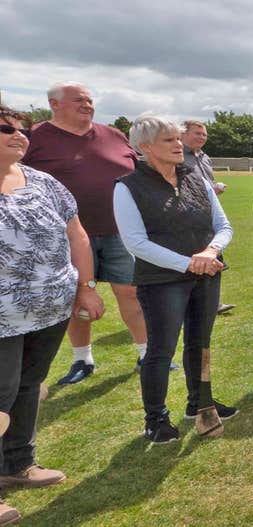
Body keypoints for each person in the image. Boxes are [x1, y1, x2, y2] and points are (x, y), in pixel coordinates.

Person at [0, 105, 105, 527]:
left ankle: (18, 463)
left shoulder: (44, 183)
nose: (18, 135)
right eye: (6, 129)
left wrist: (86, 286)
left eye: (22, 130)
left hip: (49, 308)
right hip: (3, 314)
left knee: (27, 386)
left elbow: (76, 235)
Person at [114, 116, 235, 443]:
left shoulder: (197, 177)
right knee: (161, 350)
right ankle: (156, 418)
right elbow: (136, 243)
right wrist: (189, 264)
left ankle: (199, 402)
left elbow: (224, 226)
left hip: (206, 273)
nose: (178, 144)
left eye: (177, 138)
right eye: (168, 140)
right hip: (161, 280)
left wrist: (210, 253)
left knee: (200, 341)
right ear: (145, 147)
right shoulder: (127, 187)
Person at [22, 82, 149, 384]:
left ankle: (148, 353)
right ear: (54, 104)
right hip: (64, 235)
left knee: (132, 291)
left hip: (120, 230)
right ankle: (83, 360)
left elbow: (138, 170)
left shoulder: (113, 135)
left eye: (90, 100)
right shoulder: (34, 137)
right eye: (79, 100)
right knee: (76, 297)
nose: (87, 105)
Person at [181, 120, 236, 315]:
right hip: (186, 217)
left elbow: (205, 183)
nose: (202, 137)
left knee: (213, 254)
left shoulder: (204, 157)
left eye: (204, 134)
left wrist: (214, 188)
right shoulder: (177, 156)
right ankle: (188, 304)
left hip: (208, 214)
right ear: (183, 134)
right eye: (197, 133)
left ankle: (213, 302)